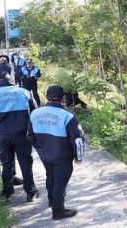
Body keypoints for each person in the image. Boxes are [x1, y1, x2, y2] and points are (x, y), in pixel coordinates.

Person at [28, 85, 84, 220]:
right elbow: (77, 139)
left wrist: (41, 148)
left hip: (45, 155)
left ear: (46, 96)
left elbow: (30, 135)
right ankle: (58, 211)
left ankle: (52, 201)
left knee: (51, 176)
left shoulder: (35, 113)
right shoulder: (68, 116)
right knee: (60, 182)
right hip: (62, 156)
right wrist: (79, 157)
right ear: (63, 98)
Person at [0, 71, 38, 201]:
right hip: (22, 136)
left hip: (2, 137)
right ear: (10, 80)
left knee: (7, 164)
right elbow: (35, 114)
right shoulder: (24, 92)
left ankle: (7, 192)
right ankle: (31, 192)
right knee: (26, 163)